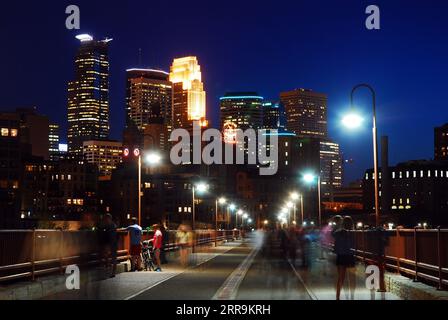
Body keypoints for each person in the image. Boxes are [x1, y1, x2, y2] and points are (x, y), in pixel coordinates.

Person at [333, 216, 356, 300]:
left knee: (341, 278)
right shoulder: (353, 232)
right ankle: (352, 297)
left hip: (341, 256)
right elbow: (355, 244)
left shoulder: (338, 232)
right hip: (350, 256)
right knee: (352, 278)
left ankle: (337, 297)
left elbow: (333, 234)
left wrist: (339, 226)